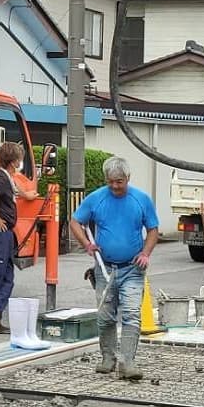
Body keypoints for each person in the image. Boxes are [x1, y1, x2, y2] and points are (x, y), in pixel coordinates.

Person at [68, 157, 159, 381]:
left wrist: (145, 253)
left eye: (119, 182)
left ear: (128, 178)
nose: (115, 186)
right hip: (105, 268)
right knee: (105, 315)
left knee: (131, 314)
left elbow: (153, 229)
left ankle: (127, 362)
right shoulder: (96, 199)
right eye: (111, 182)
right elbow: (74, 222)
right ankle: (107, 357)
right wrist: (87, 244)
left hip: (133, 268)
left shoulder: (141, 200)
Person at [0, 141, 37, 335]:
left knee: (4, 275)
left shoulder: (5, 177)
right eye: (19, 160)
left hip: (1, 234)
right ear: (13, 162)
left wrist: (27, 195)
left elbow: (15, 188)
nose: (20, 163)